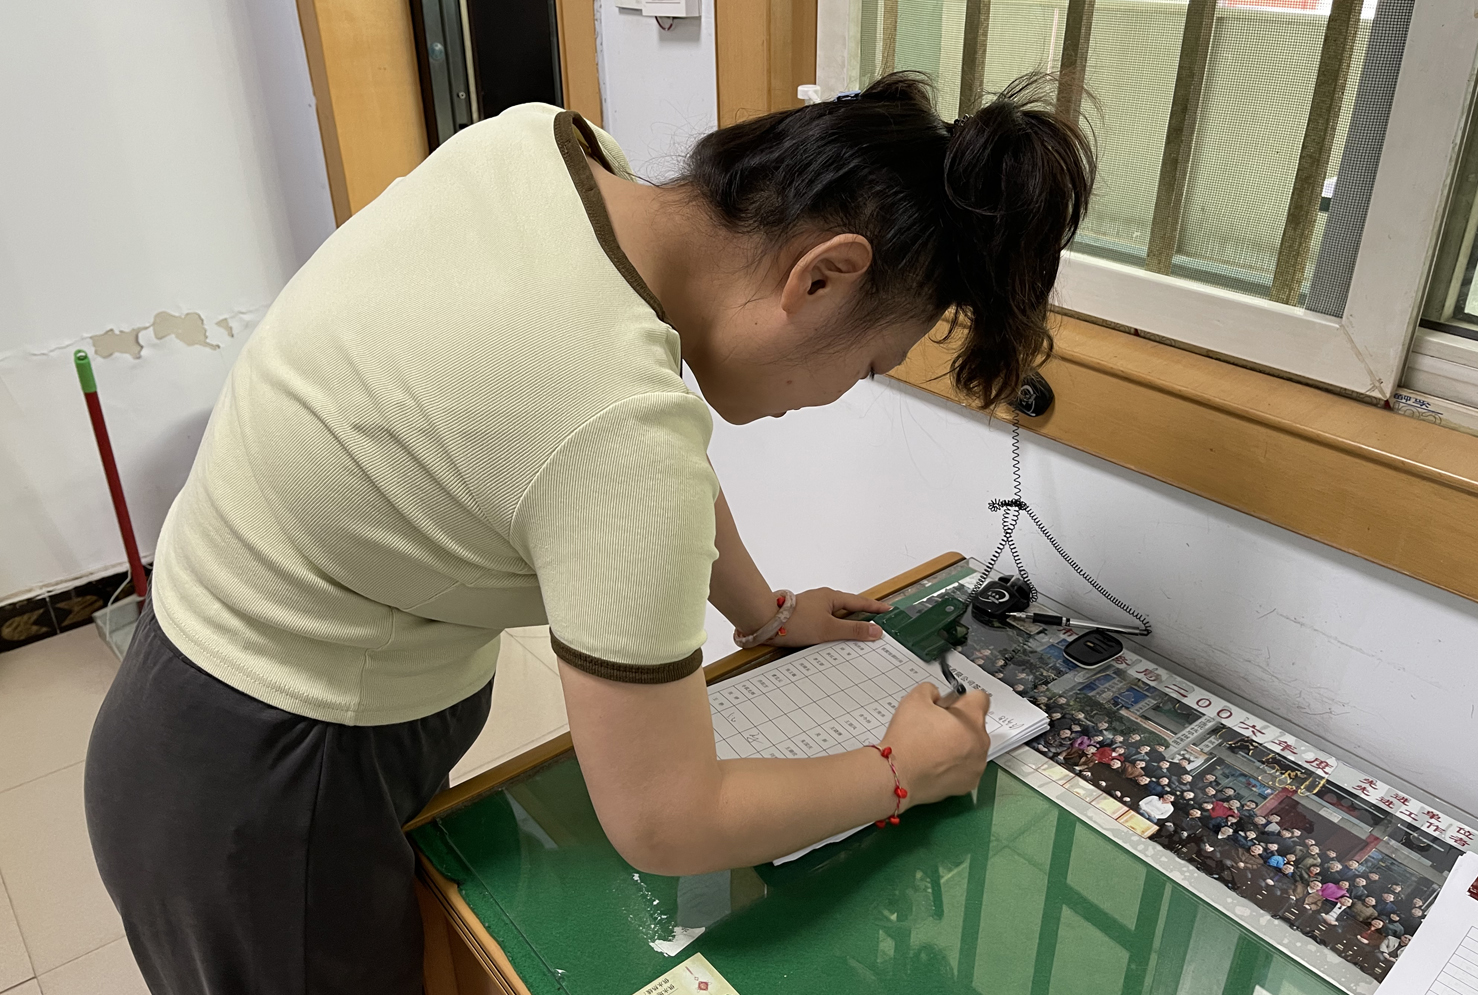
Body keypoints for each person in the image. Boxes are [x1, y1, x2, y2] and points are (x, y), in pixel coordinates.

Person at [82, 73, 1098, 994]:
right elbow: (666, 821)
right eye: (869, 365)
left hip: (196, 697)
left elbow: (627, 431)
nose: (842, 392)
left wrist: (763, 611)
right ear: (822, 276)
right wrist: (901, 769)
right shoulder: (618, 427)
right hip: (269, 784)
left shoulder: (546, 149)